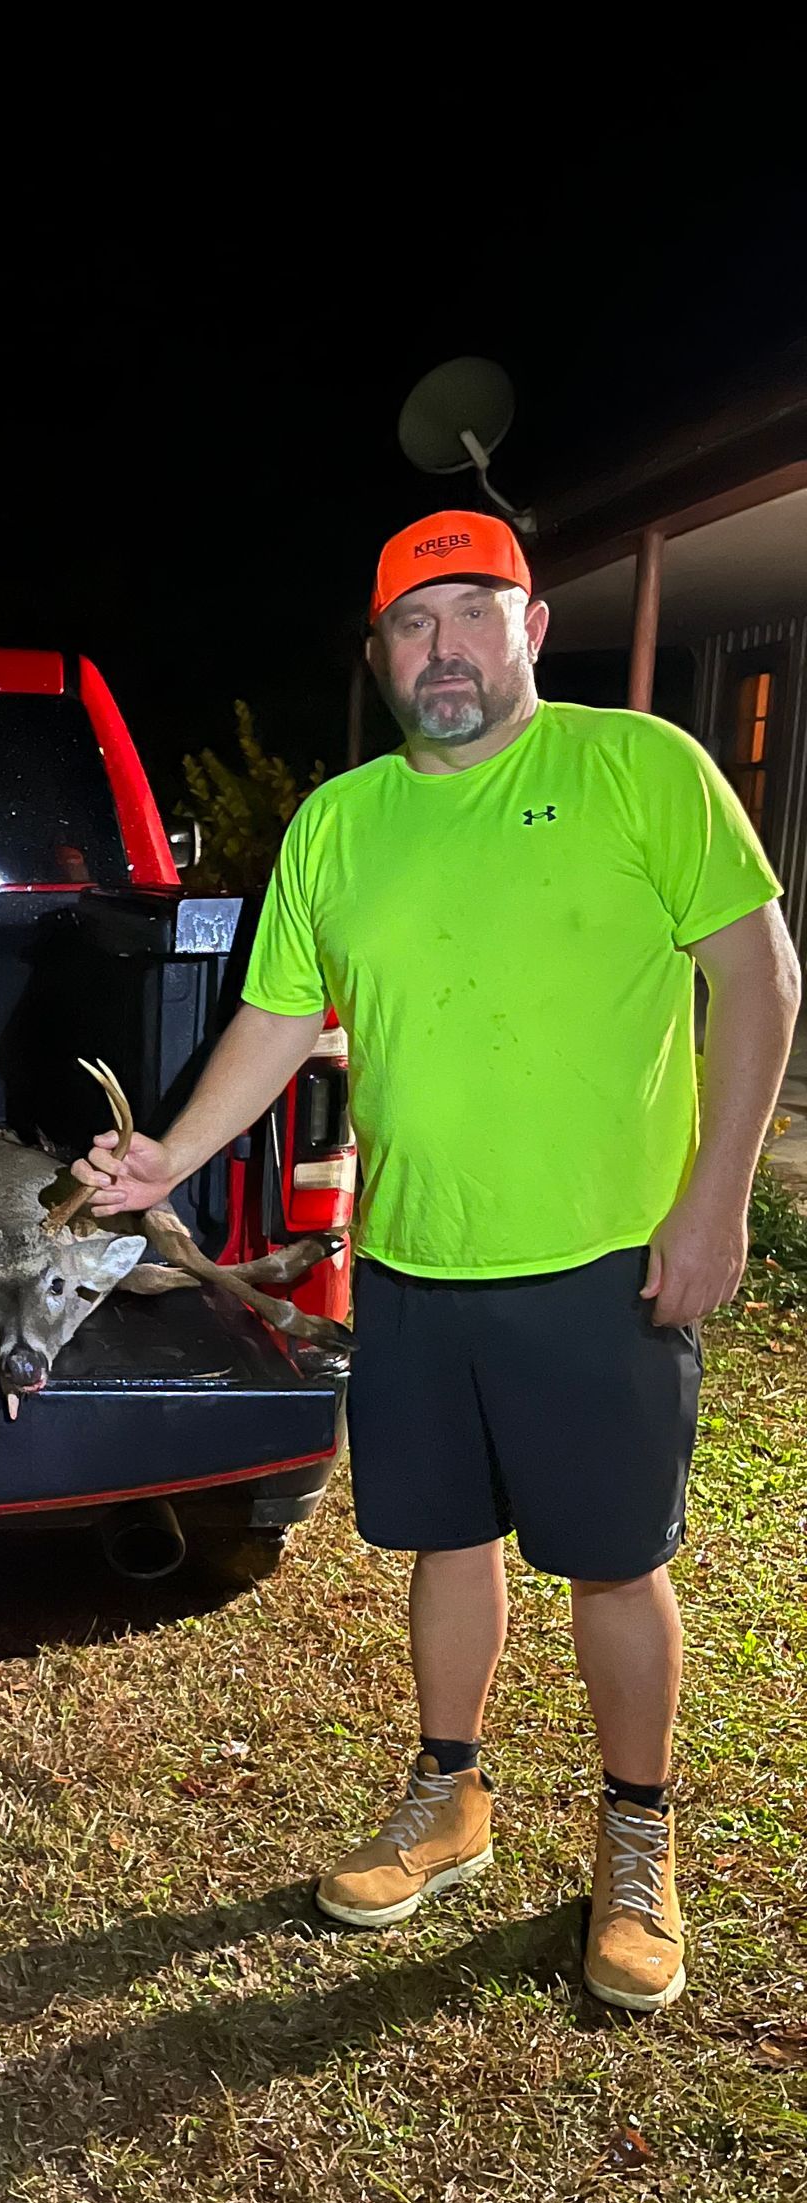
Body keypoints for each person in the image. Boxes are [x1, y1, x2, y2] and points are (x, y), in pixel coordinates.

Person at [76, 509, 798, 2012]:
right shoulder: (341, 824)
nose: (445, 647)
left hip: (604, 1259)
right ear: (380, 655)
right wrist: (171, 1156)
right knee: (443, 1541)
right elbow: (281, 1017)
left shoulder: (642, 767)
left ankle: (637, 1841)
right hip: (412, 1258)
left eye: (474, 612)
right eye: (414, 623)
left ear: (532, 629)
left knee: (616, 1561)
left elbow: (757, 974)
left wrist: (715, 1203)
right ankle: (449, 1798)